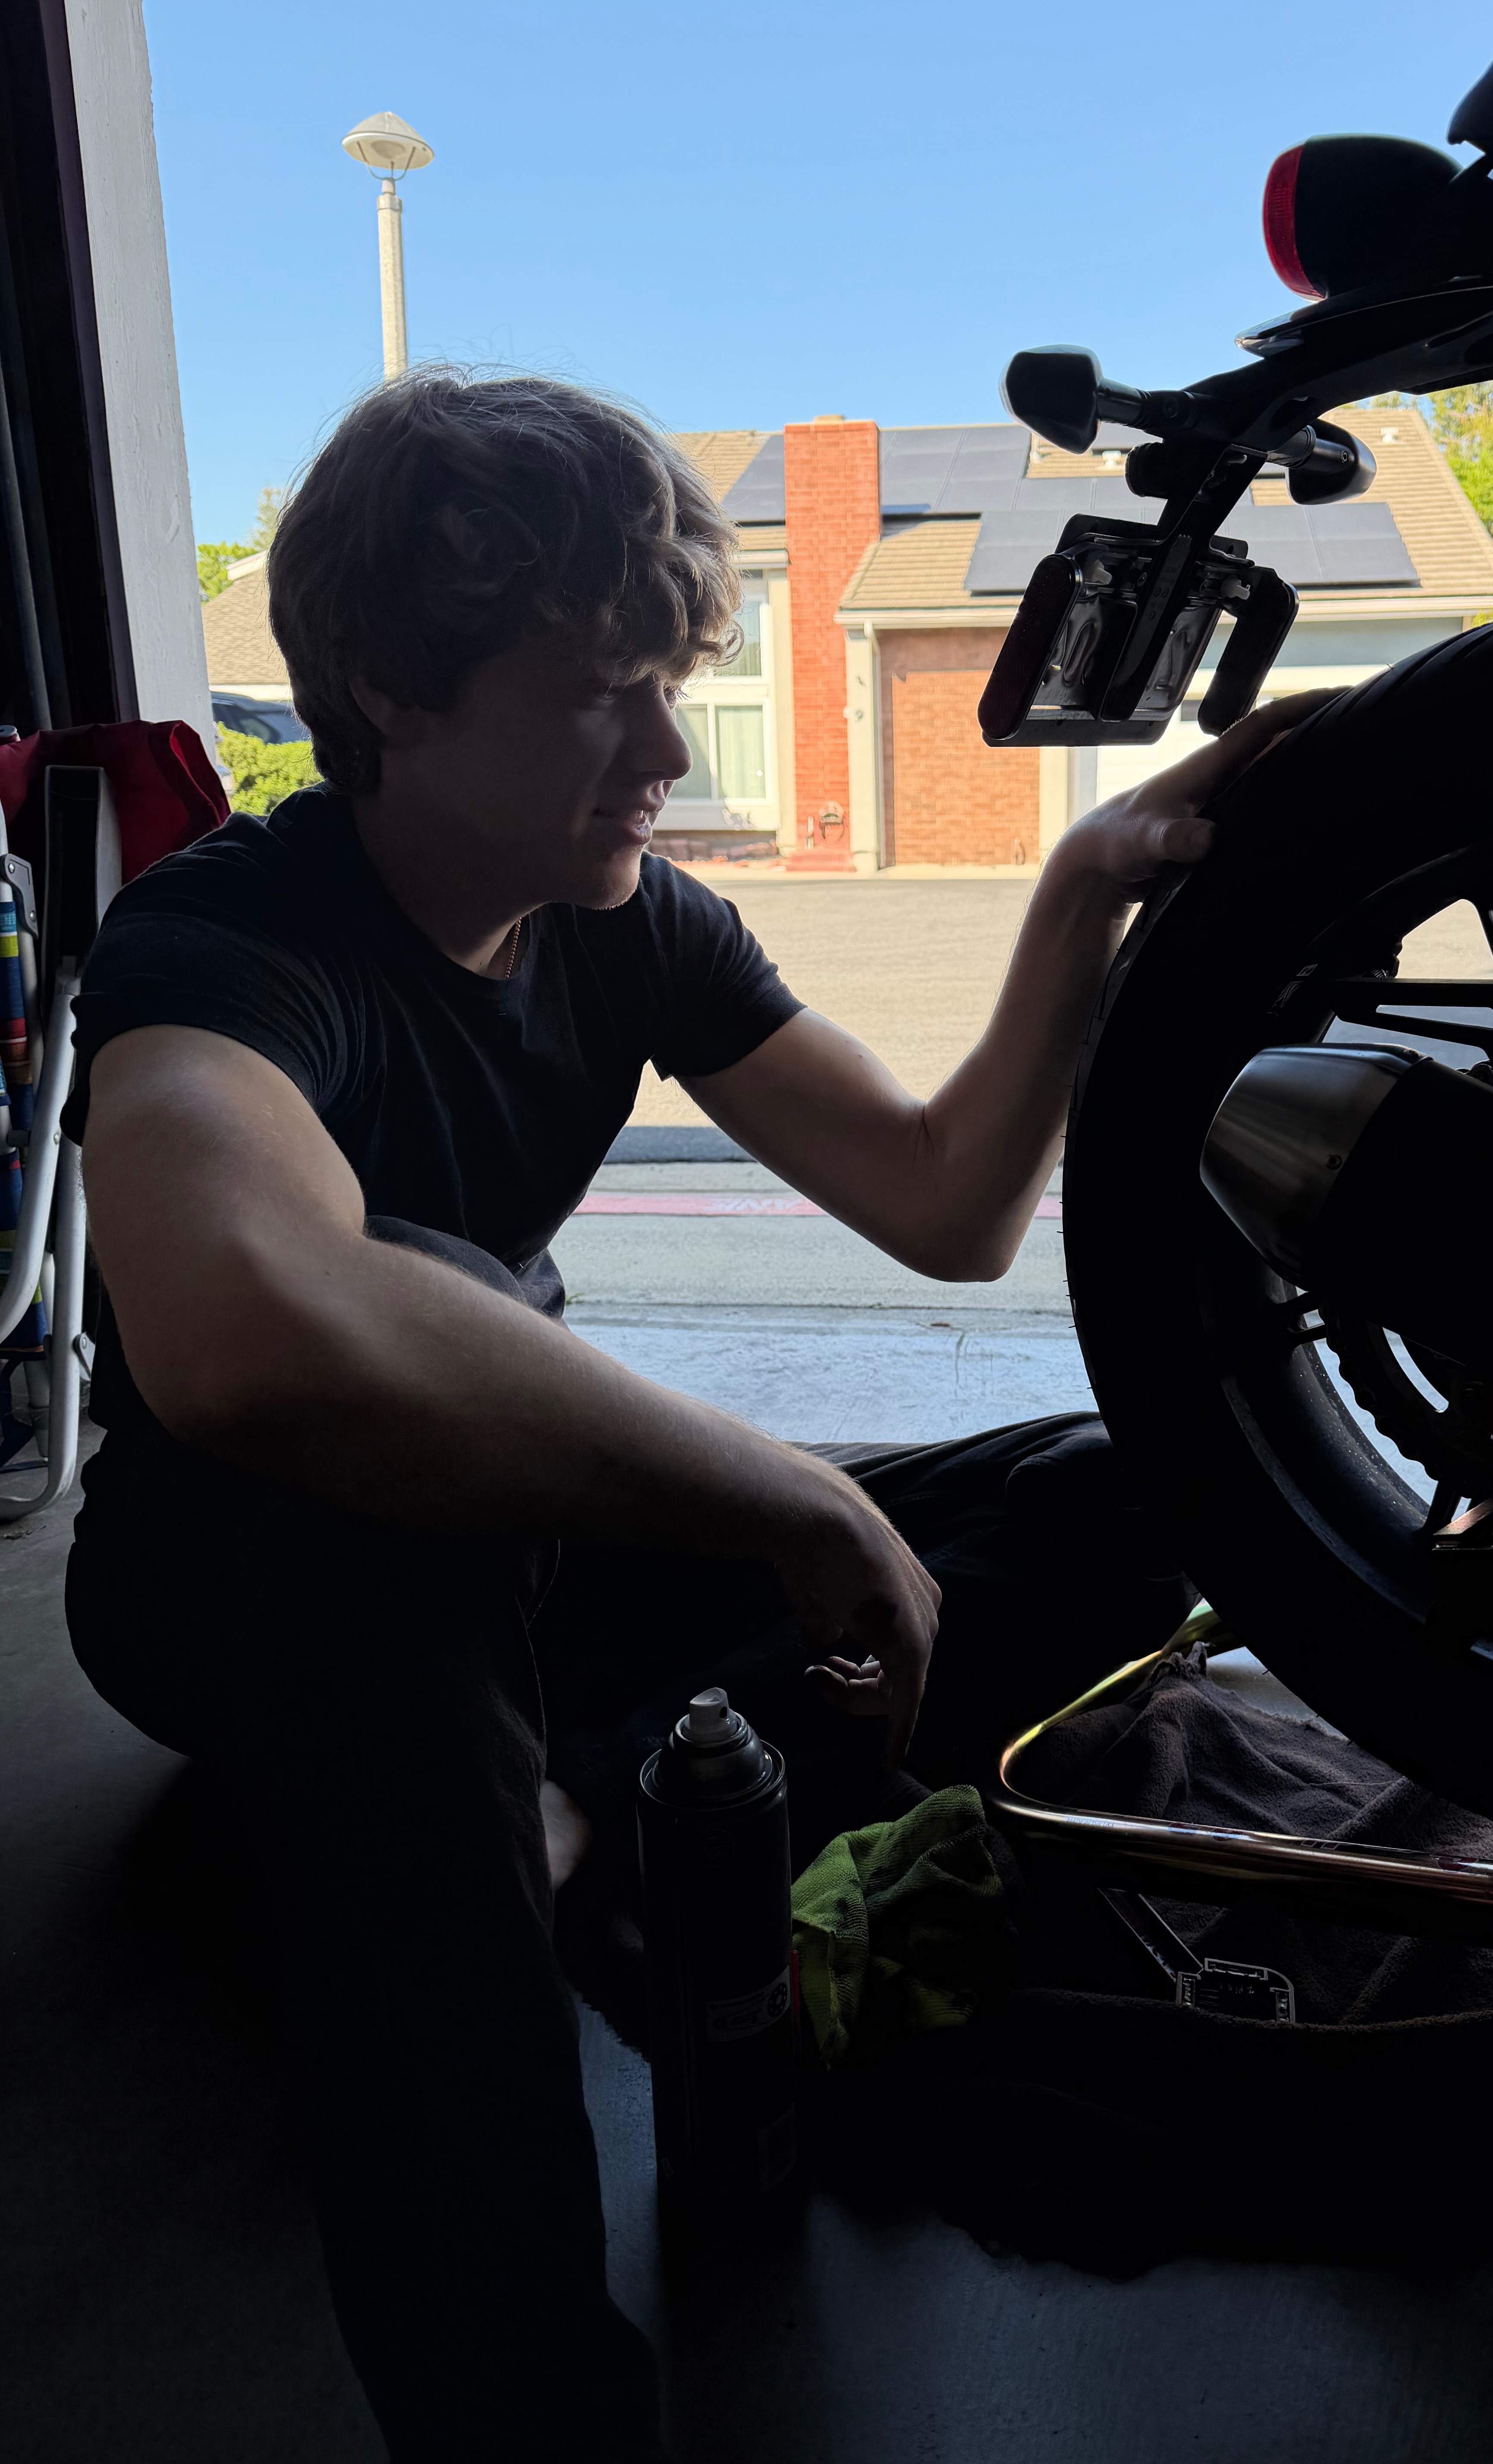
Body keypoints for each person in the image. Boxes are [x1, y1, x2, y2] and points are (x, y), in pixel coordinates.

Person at [63, 371, 1325, 2460]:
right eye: (599, 694)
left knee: (1157, 1479)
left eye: (671, 684)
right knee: (425, 1334)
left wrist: (1083, 899)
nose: (668, 755)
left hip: (544, 1572)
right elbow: (245, 1339)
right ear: (387, 690)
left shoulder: (632, 921)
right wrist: (801, 1502)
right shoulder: (221, 944)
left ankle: (584, 1803)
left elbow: (945, 1204)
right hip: (234, 1571)